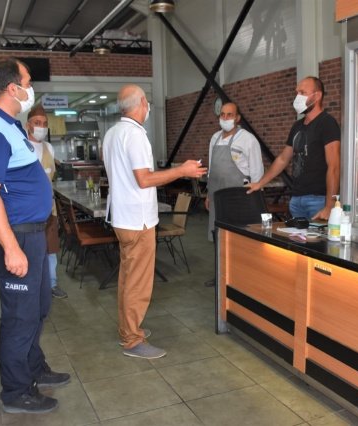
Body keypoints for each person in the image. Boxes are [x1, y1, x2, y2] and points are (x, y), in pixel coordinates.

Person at [0, 57, 70, 414]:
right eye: (27, 82)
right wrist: (11, 248)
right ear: (13, 88)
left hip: (34, 235)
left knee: (38, 308)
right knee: (19, 318)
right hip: (17, 238)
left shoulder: (10, 126)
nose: (31, 88)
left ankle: (33, 367)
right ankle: (15, 391)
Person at [102, 84, 207, 359]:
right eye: (147, 101)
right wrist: (182, 170)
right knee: (138, 282)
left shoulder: (112, 133)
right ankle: (132, 340)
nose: (148, 106)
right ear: (140, 104)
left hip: (122, 217)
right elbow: (144, 179)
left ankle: (128, 328)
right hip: (138, 220)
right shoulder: (135, 135)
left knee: (128, 278)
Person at [247, 76, 340, 220]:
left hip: (318, 200)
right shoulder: (297, 126)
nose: (298, 97)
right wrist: (260, 183)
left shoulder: (327, 123)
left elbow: (334, 166)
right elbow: (283, 159)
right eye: (297, 93)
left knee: (316, 235)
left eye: (302, 93)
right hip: (296, 199)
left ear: (317, 96)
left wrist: (329, 205)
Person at [26, 103, 67, 299]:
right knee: (31, 250)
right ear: (28, 125)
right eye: (37, 123)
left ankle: (52, 284)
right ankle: (33, 286)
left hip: (49, 209)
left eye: (44, 123)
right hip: (28, 211)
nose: (41, 127)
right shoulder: (22, 147)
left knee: (50, 249)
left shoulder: (49, 148)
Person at [205, 102, 263, 241]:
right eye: (222, 115)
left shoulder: (248, 139)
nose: (225, 118)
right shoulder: (215, 138)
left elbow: (257, 171)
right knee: (218, 235)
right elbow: (211, 168)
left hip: (238, 196)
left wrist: (255, 197)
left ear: (237, 118)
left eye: (229, 115)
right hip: (216, 195)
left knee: (237, 237)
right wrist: (208, 195)